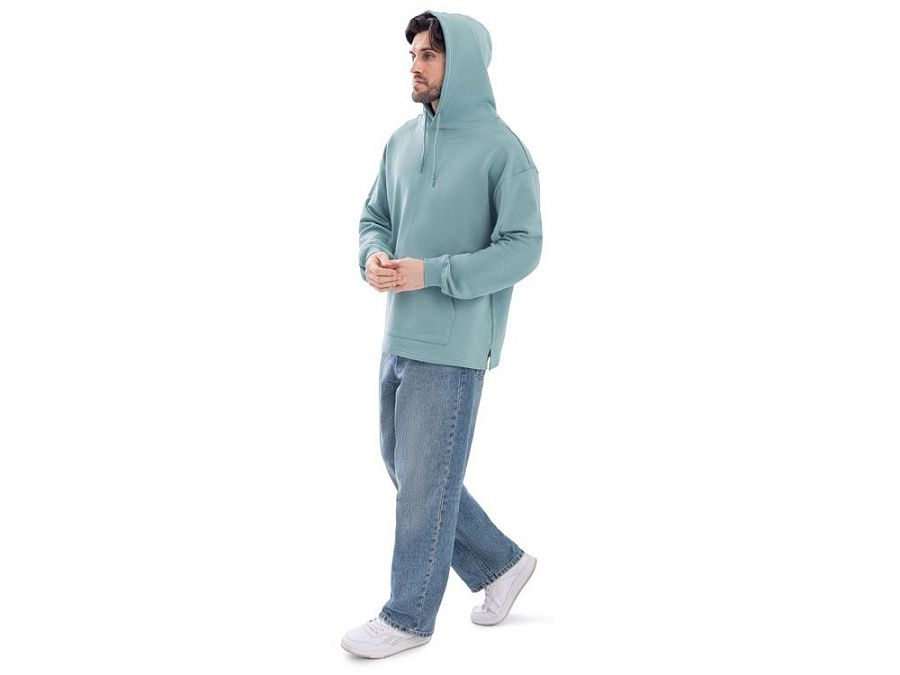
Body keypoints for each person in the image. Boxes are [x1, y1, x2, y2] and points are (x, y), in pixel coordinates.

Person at [342, 10, 542, 659]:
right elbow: (374, 217)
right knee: (408, 468)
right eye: (413, 56)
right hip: (399, 335)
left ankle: (408, 616)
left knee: (425, 482)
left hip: (455, 343)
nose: (416, 66)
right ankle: (501, 564)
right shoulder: (401, 141)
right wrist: (372, 256)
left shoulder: (503, 150)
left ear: (465, 66)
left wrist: (432, 273)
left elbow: (524, 246)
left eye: (429, 55)